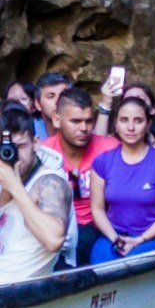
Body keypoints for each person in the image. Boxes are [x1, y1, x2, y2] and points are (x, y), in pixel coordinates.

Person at [0, 103, 71, 286]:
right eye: (8, 147)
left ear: (35, 143)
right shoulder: (0, 177)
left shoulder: (50, 182)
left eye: (20, 146)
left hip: (15, 285)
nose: (15, 154)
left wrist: (15, 187)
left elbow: (54, 241)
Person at [86, 92, 155, 264]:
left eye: (138, 121)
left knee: (136, 262)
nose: (130, 127)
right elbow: (97, 209)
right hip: (113, 236)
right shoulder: (103, 162)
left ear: (148, 124)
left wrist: (140, 239)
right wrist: (115, 238)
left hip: (153, 237)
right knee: (100, 261)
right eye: (124, 120)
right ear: (116, 124)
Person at [51, 84, 105, 247]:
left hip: (101, 229)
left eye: (88, 121)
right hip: (58, 230)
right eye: (75, 121)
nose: (84, 128)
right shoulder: (43, 154)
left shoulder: (111, 150)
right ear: (57, 120)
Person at [31, 70, 73, 141]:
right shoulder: (29, 132)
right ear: (38, 104)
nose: (57, 101)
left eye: (62, 96)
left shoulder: (83, 130)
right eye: (50, 96)